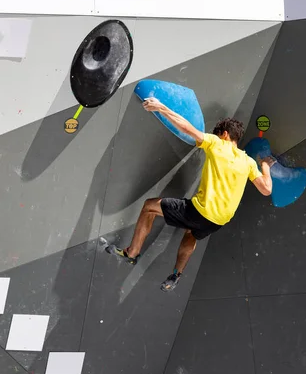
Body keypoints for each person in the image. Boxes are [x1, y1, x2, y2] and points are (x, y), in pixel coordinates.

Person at [106, 97, 275, 291]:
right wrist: (265, 167)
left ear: (225, 134)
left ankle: (132, 253)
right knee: (191, 234)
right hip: (217, 222)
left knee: (149, 207)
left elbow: (187, 128)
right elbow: (266, 189)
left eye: (218, 134)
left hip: (200, 211)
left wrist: (161, 107)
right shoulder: (248, 163)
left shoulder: (217, 144)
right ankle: (176, 276)